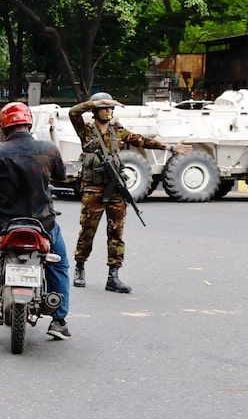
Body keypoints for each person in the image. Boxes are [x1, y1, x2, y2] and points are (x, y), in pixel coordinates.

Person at [67, 92, 191, 293]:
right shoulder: (86, 130)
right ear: (96, 110)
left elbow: (141, 140)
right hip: (93, 188)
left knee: (116, 231)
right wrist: (96, 102)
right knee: (88, 231)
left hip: (115, 188)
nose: (109, 111)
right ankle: (80, 267)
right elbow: (73, 112)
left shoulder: (117, 129)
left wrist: (169, 147)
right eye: (106, 108)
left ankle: (113, 276)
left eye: (111, 108)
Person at [0, 101, 72, 340]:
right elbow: (62, 177)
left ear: (4, 127)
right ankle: (59, 320)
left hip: (3, 222)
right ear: (28, 123)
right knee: (59, 264)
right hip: (43, 223)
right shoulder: (49, 150)